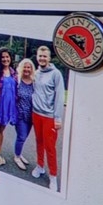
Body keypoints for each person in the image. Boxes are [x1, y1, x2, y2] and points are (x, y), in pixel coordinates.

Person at [31, 46, 67, 186]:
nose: (42, 58)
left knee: (50, 147)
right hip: (36, 114)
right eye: (40, 56)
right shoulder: (36, 72)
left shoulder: (56, 74)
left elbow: (60, 97)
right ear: (37, 57)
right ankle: (40, 166)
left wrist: (58, 118)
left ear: (49, 58)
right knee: (39, 142)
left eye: (44, 56)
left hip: (49, 117)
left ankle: (53, 176)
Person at [12, 61, 36, 170]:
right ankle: (16, 157)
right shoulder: (17, 80)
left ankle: (19, 153)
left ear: (31, 69)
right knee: (21, 136)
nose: (27, 69)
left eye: (29, 67)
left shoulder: (34, 82)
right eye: (25, 67)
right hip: (20, 114)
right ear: (21, 68)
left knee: (24, 137)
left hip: (30, 115)